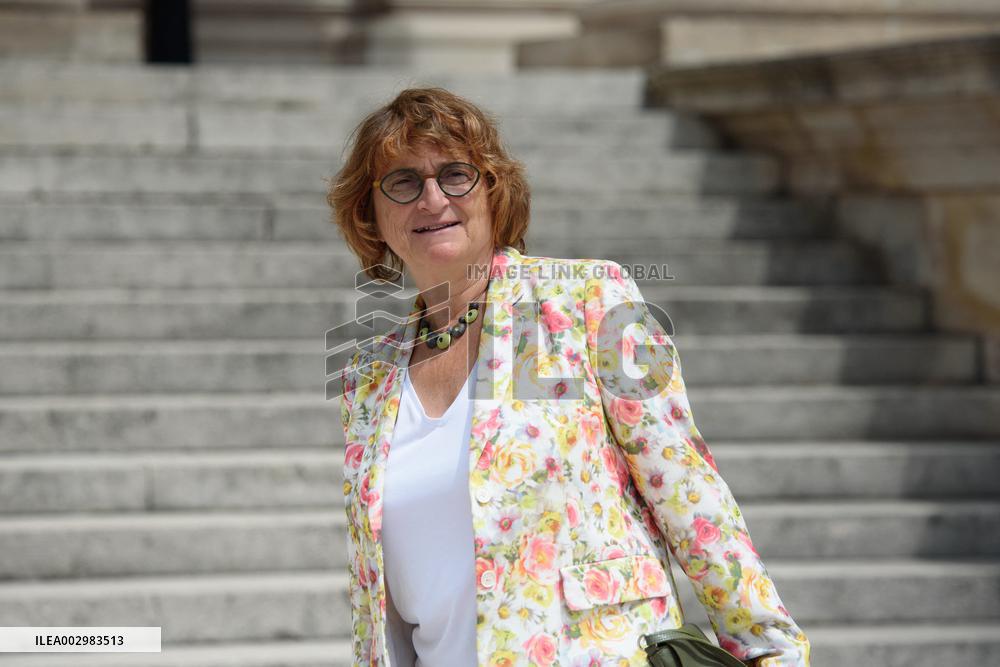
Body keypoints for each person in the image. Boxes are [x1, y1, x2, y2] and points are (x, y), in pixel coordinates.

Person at [329, 87, 810, 667]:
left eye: (455, 174)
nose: (433, 199)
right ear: (371, 215)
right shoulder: (370, 376)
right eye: (403, 182)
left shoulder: (579, 303)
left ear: (493, 191)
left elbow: (687, 491)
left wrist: (770, 650)